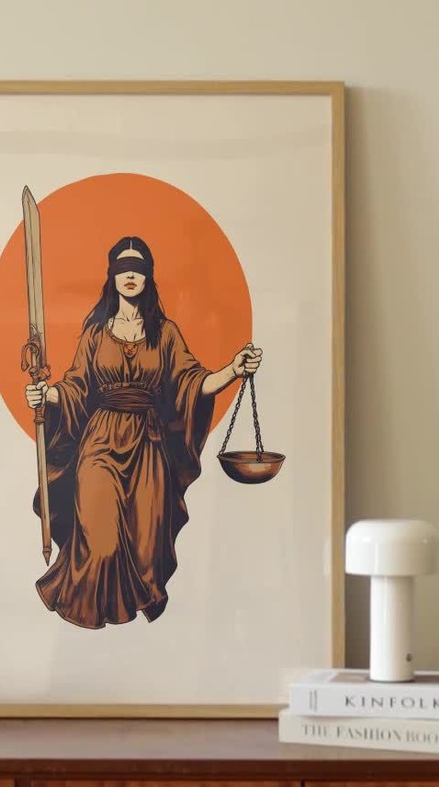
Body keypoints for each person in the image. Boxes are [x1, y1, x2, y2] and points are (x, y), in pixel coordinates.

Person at [25, 235, 262, 629]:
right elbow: (76, 387)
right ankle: (89, 609)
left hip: (149, 448)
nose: (130, 275)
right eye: (122, 268)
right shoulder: (95, 333)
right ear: (112, 276)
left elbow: (193, 382)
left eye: (138, 268)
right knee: (100, 540)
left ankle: (129, 616)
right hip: (100, 445)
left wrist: (233, 370)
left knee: (144, 542)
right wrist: (45, 394)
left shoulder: (165, 333)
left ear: (148, 276)